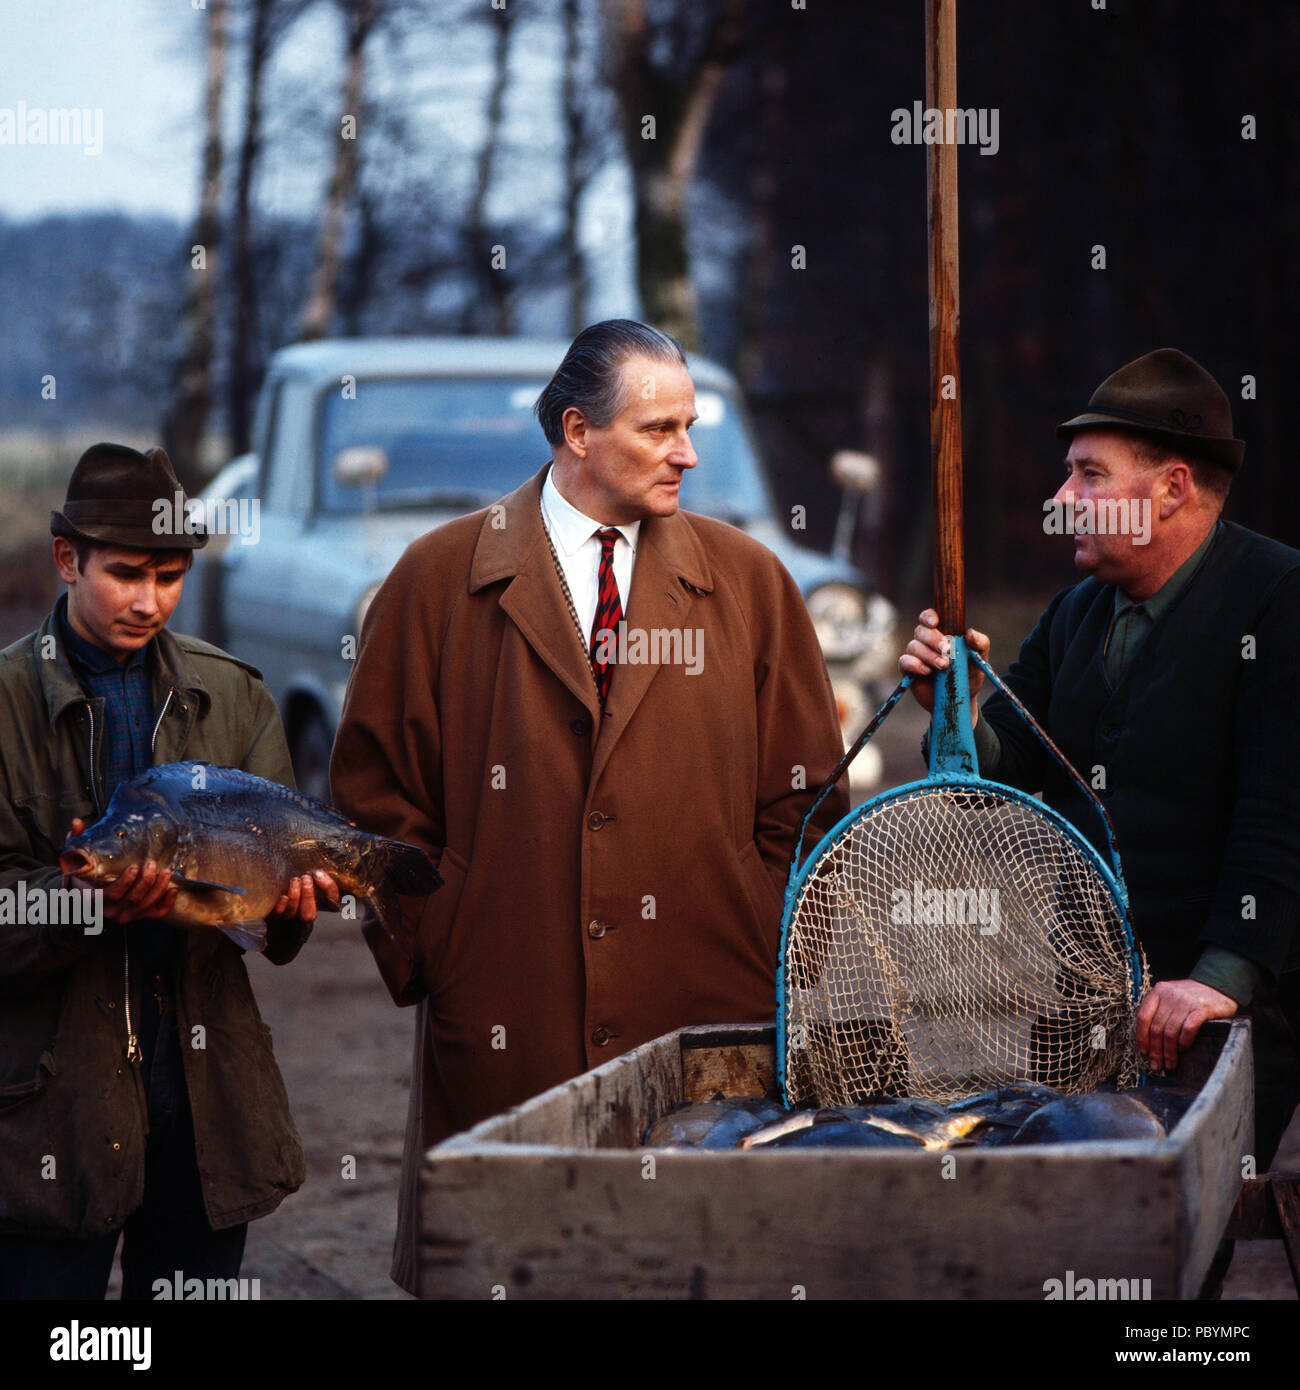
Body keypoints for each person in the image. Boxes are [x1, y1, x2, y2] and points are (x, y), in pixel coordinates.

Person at [331, 318, 850, 1294]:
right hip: (506, 1022)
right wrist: (444, 945)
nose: (687, 453)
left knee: (693, 1267)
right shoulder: (439, 580)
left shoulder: (751, 584)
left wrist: (756, 938)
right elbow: (375, 803)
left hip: (703, 1024)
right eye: (659, 429)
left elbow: (809, 803)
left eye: (689, 426)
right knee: (515, 1264)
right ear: (577, 430)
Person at [901, 348, 1300, 1171]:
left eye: (1088, 475)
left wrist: (1222, 975)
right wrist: (952, 709)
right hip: (1083, 1002)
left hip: (1230, 1014)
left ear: (1172, 488)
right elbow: (1004, 777)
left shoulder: (1279, 599)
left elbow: (1282, 810)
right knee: (1078, 1210)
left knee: (1196, 1231)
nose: (1061, 500)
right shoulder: (1075, 612)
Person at [0, 442, 335, 1300]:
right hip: (47, 1100)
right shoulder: (2, 705)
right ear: (67, 559)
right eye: (126, 574)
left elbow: (275, 925)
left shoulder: (234, 696)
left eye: (171, 576)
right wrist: (88, 909)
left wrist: (295, 905)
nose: (151, 601)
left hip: (206, 1089)